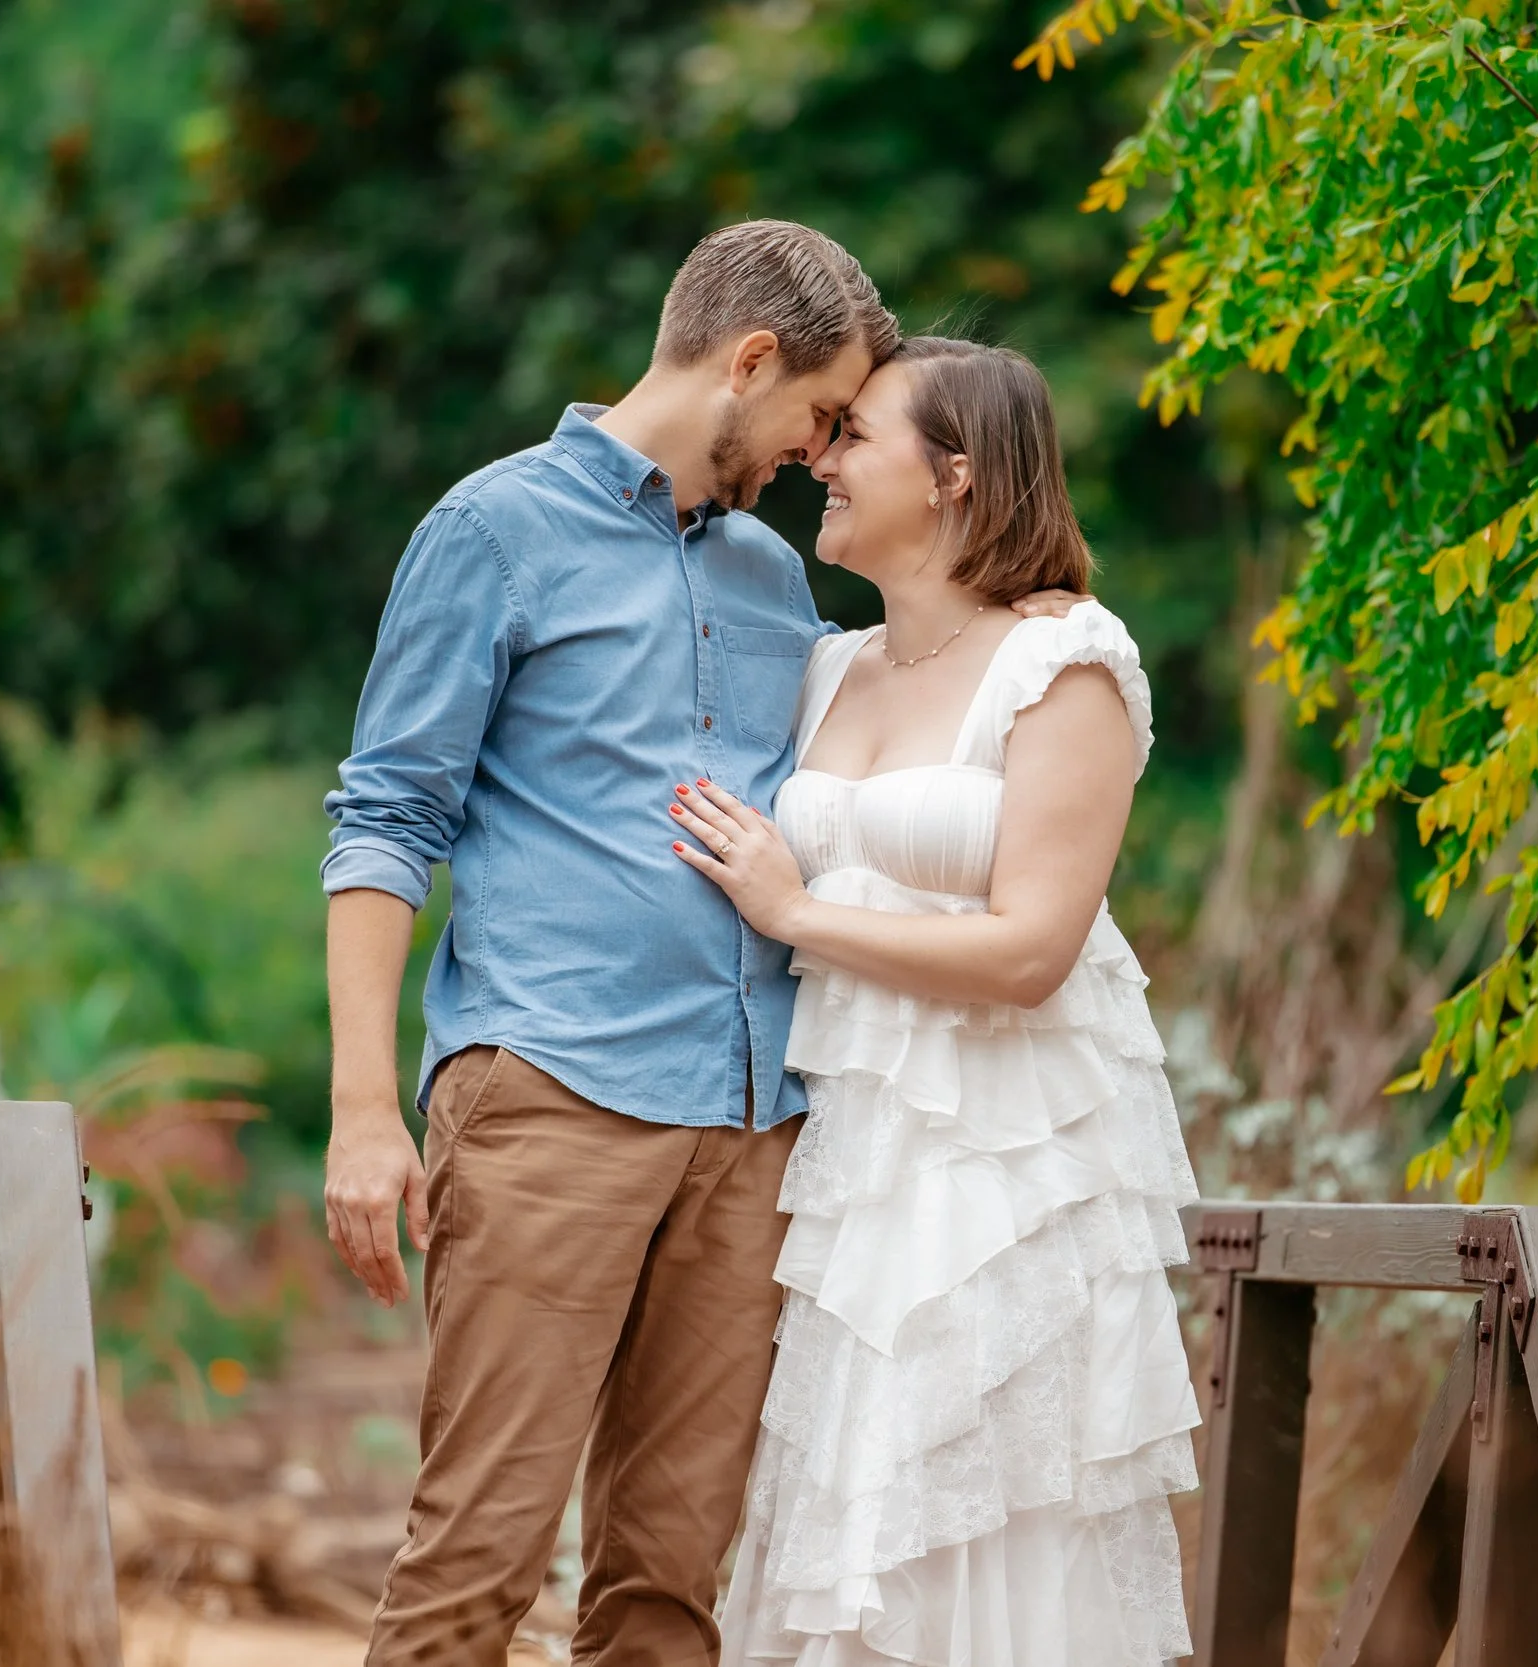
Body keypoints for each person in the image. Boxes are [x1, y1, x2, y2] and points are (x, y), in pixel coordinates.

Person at [320, 226, 1079, 1666]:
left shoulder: (769, 576)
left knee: (670, 1590)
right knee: (478, 1556)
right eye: (820, 413)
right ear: (749, 362)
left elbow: (907, 693)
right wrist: (365, 1111)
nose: (818, 453)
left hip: (753, 1130)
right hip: (554, 1094)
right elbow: (385, 820)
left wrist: (1027, 614)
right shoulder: (493, 532)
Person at [668, 337, 1201, 1667]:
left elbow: (1032, 951)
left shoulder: (1064, 663)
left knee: (984, 1518)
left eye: (856, 435)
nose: (823, 459)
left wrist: (796, 914)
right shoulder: (828, 667)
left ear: (955, 473)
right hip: (846, 1163)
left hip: (1003, 1164)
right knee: (846, 1514)